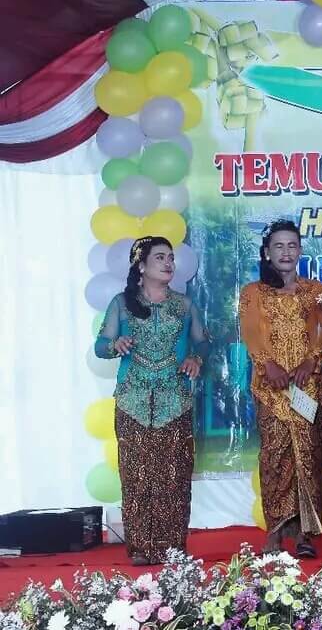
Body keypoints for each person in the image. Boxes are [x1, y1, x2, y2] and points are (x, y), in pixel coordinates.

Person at [94, 236, 208, 565]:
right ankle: (141, 548)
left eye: (170, 257)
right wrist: (114, 345)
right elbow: (100, 345)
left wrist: (196, 358)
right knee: (136, 475)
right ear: (141, 266)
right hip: (133, 400)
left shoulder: (184, 305)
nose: (168, 263)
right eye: (160, 257)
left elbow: (203, 342)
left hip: (175, 400)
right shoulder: (121, 303)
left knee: (175, 475)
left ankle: (173, 548)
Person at [239, 220, 322, 557]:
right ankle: (275, 532)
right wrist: (267, 364)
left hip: (306, 385)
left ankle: (306, 533)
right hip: (271, 387)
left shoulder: (315, 289)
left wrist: (311, 360)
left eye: (292, 245)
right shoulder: (253, 291)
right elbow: (250, 331)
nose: (286, 252)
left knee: (309, 454)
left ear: (300, 250)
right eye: (279, 246)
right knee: (275, 456)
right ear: (267, 252)